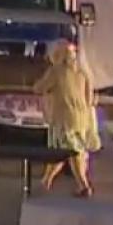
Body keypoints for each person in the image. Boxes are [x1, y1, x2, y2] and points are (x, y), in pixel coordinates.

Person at [33, 41, 100, 196]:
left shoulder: (56, 72)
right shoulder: (83, 74)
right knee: (74, 153)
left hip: (63, 120)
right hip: (82, 121)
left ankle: (82, 185)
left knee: (64, 153)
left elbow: (39, 88)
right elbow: (90, 99)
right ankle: (48, 181)